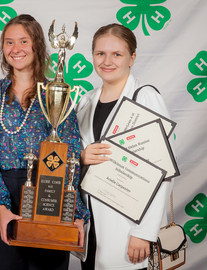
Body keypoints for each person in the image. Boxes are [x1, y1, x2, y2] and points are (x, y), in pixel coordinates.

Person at [0, 14, 89, 270]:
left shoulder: (56, 94)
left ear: (37, 45)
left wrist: (74, 211)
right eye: (9, 42)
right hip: (2, 194)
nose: (16, 49)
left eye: (24, 41)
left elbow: (70, 153)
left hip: (50, 193)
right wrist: (1, 207)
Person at [76, 23, 173, 270]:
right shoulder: (86, 101)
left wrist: (144, 231)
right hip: (92, 226)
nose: (107, 61)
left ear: (132, 58)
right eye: (100, 53)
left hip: (128, 227)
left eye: (117, 54)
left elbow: (164, 172)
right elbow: (81, 158)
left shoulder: (145, 98)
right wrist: (81, 157)